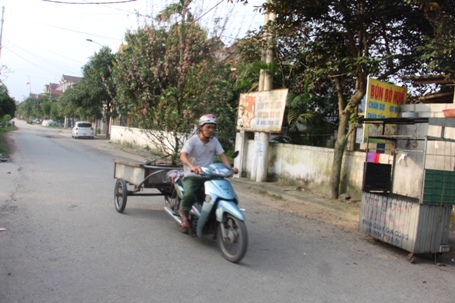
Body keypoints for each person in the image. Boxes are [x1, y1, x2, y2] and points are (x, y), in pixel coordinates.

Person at [179, 114, 238, 230]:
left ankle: (218, 215)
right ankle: (185, 217)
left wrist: (230, 168)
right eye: (208, 127)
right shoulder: (192, 141)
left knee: (223, 192)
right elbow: (183, 156)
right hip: (193, 175)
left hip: (210, 175)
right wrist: (193, 166)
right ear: (201, 127)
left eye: (213, 128)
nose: (210, 130)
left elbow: (222, 156)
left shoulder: (214, 141)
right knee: (190, 194)